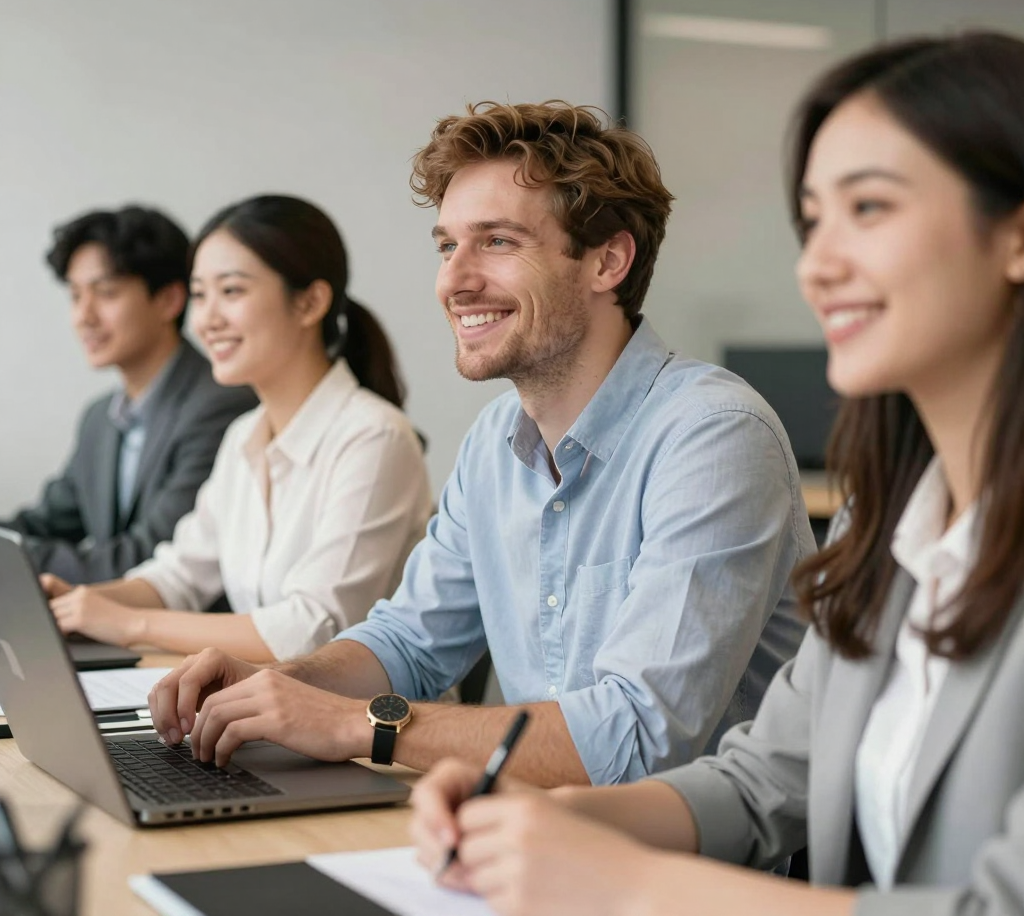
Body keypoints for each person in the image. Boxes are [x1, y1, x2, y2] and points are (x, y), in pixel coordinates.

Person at [408, 31, 1024, 915]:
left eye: (871, 209)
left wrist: (627, 881)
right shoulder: (885, 526)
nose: (818, 264)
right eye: (812, 220)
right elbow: (762, 778)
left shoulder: (713, 430)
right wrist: (550, 824)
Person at [148, 101, 810, 784]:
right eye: (446, 245)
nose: (454, 280)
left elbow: (637, 738)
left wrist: (354, 724)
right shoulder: (496, 441)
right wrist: (273, 687)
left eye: (497, 241)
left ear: (607, 261)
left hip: (690, 874)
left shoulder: (713, 437)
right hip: (536, 837)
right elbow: (408, 644)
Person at [44, 195, 432, 663]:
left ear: (310, 302)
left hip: (370, 723)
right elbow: (180, 576)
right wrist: (74, 605)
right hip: (270, 712)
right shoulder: (244, 436)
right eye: (200, 294)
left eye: (231, 291)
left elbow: (312, 628)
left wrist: (127, 624)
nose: (206, 320)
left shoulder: (375, 437)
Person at [2, 206, 256, 585]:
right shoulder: (100, 417)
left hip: (189, 636)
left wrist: (15, 559)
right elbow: (45, 522)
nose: (84, 316)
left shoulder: (221, 404)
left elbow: (149, 557)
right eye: (75, 296)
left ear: (170, 300)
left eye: (105, 293)